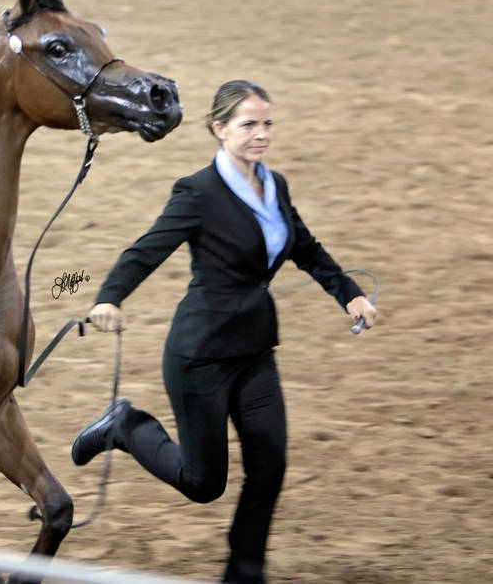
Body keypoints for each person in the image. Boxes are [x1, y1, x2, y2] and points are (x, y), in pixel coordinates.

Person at [70, 80, 378, 583]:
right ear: (219, 129)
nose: (261, 135)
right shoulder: (198, 192)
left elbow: (305, 246)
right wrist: (109, 296)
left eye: (267, 124)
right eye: (248, 124)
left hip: (255, 348)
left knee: (269, 464)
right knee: (202, 483)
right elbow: (147, 249)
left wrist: (349, 294)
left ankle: (244, 571)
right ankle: (125, 426)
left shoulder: (274, 185)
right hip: (201, 357)